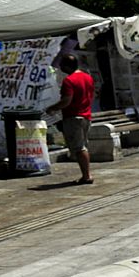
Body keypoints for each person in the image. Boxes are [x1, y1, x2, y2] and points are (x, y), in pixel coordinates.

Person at [47, 54, 94, 184]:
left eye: (62, 65)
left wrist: (52, 108)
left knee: (79, 148)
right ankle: (86, 174)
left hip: (74, 117)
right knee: (82, 146)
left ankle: (87, 176)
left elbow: (66, 101)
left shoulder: (69, 80)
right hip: (86, 115)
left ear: (67, 66)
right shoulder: (88, 77)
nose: (60, 68)